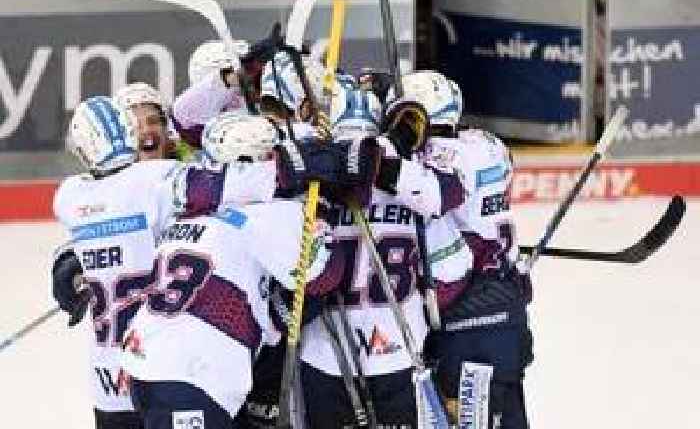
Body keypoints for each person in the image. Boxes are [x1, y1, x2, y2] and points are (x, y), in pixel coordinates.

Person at [50, 96, 287, 429]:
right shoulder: (159, 180)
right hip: (161, 362)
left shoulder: (69, 196)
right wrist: (293, 168)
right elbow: (223, 188)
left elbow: (98, 226)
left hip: (107, 377)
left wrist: (68, 259)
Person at [120, 112, 353, 429]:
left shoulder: (188, 214)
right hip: (192, 379)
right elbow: (324, 276)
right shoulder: (269, 216)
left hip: (147, 366)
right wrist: (322, 211)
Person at [297, 79, 471, 429]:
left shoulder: (310, 190)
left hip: (327, 355)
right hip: (396, 352)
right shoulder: (412, 185)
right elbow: (454, 265)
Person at [402, 70, 533, 429]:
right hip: (508, 307)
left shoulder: (437, 156)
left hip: (466, 320)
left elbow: (430, 192)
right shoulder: (489, 145)